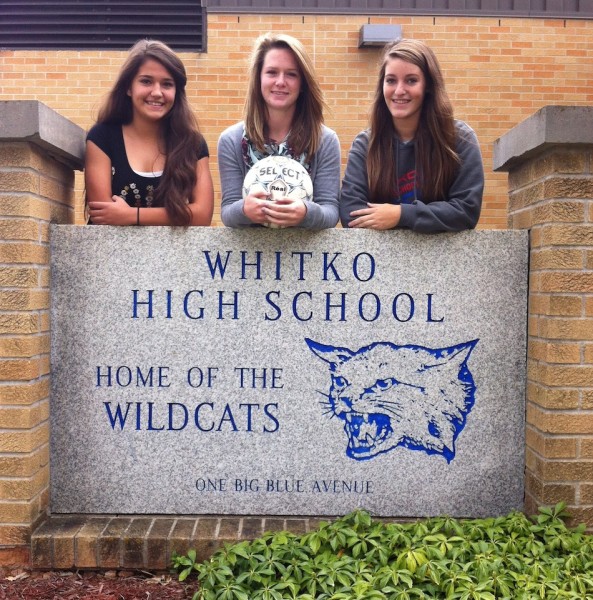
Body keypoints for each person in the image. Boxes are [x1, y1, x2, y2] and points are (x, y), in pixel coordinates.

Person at [340, 38, 484, 232]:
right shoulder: (366, 144)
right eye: (391, 80)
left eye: (411, 80)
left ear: (428, 86)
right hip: (381, 260)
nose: (399, 91)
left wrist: (401, 215)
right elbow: (351, 214)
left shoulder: (459, 139)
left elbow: (466, 211)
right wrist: (428, 219)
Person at [85, 39, 214, 226]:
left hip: (170, 254)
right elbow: (103, 215)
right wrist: (175, 216)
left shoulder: (192, 144)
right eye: (146, 81)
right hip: (109, 253)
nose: (157, 92)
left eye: (167, 84)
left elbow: (202, 215)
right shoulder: (102, 137)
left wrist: (131, 215)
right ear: (129, 87)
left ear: (177, 92)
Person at [218, 33, 340, 229]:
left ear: (302, 84)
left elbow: (331, 212)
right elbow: (227, 213)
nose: (280, 82)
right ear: (258, 79)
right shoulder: (231, 140)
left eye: (291, 74)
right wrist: (244, 210)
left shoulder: (325, 140)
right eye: (272, 72)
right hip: (249, 256)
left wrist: (306, 212)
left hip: (306, 255)